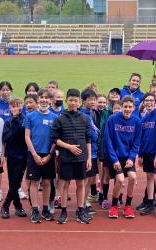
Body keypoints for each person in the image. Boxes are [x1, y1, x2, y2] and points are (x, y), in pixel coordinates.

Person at [51, 88, 92, 224]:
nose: (73, 103)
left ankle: (80, 209)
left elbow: (88, 139)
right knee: (64, 184)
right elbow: (55, 139)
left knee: (81, 183)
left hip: (81, 157)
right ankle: (63, 210)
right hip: (66, 157)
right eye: (71, 100)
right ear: (66, 101)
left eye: (76, 100)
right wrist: (69, 147)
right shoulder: (59, 119)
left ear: (80, 102)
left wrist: (89, 158)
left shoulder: (85, 118)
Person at [23, 88, 57, 223]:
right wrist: (34, 154)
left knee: (48, 181)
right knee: (34, 182)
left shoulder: (54, 117)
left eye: (46, 98)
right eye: (41, 97)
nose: (44, 100)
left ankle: (45, 208)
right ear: (38, 100)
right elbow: (27, 136)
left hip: (48, 154)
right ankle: (35, 209)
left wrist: (49, 155)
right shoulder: (30, 116)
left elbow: (56, 138)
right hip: (34, 153)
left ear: (50, 100)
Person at [105, 96, 141, 219]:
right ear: (121, 107)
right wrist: (114, 159)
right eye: (125, 107)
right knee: (119, 179)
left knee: (133, 177)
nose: (127, 109)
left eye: (130, 107)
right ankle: (114, 206)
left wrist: (131, 158)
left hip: (128, 157)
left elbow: (137, 143)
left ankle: (128, 206)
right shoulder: (112, 119)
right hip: (115, 157)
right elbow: (108, 141)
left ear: (134, 108)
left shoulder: (137, 122)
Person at [137, 93, 156, 219]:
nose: (148, 103)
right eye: (146, 100)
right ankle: (150, 202)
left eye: (151, 100)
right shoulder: (144, 118)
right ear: (143, 102)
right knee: (149, 177)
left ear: (155, 102)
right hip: (146, 153)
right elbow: (141, 138)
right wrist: (140, 154)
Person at [0, 98, 28, 219]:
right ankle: (17, 205)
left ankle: (5, 205)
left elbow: (25, 136)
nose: (16, 108)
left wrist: (17, 122)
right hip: (11, 155)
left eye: (18, 105)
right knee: (13, 181)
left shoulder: (25, 120)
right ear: (10, 107)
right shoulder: (8, 121)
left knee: (16, 181)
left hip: (22, 155)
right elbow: (6, 138)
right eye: (13, 106)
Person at [80, 88, 100, 217]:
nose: (93, 102)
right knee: (84, 181)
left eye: (94, 99)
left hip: (93, 152)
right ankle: (81, 206)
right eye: (90, 99)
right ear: (83, 101)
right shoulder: (83, 114)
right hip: (86, 153)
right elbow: (90, 135)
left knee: (89, 180)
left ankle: (84, 202)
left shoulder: (91, 113)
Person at [0, 81, 13, 202]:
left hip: (12, 138)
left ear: (10, 91)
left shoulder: (13, 104)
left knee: (13, 165)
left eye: (7, 90)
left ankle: (17, 188)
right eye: (3, 90)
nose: (5, 92)